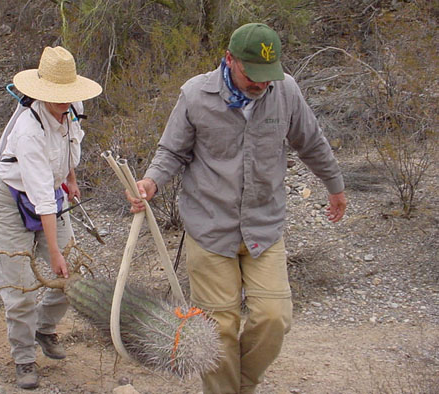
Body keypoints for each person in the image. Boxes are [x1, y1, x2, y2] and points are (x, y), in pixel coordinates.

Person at [127, 23, 346, 394]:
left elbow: (311, 142)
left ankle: (241, 384)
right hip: (210, 228)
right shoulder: (196, 94)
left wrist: (335, 187)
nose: (261, 84)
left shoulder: (285, 92)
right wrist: (151, 181)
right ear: (229, 59)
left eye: (268, 75)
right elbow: (172, 151)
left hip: (264, 226)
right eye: (253, 75)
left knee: (274, 318)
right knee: (219, 328)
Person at [0, 46, 102, 389]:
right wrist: (53, 253)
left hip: (52, 193)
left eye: (69, 95)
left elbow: (70, 148)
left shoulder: (74, 108)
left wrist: (71, 180)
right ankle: (24, 359)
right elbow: (41, 201)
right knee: (19, 288)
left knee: (73, 273)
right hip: (12, 199)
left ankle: (44, 328)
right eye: (58, 96)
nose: (64, 102)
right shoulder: (28, 131)